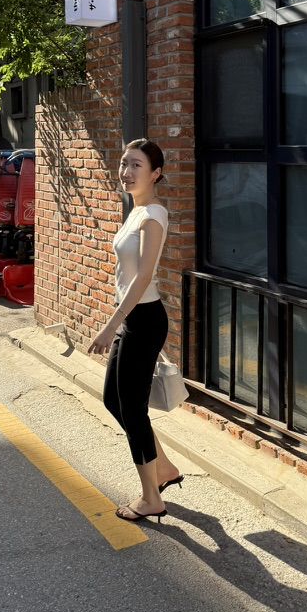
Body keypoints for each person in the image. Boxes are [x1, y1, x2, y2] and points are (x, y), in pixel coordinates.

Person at [88, 138, 183, 522]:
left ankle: (151, 498)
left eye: (136, 165)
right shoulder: (136, 209)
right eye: (124, 163)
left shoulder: (152, 216)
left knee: (132, 408)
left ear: (155, 173)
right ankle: (164, 468)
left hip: (143, 321)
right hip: (132, 318)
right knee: (115, 400)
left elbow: (143, 276)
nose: (126, 172)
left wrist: (110, 325)